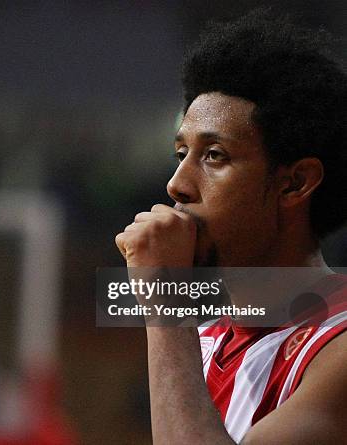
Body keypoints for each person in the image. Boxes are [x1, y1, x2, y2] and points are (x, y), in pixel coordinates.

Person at [115, 9, 347, 444]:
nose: (177, 185)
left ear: (294, 182)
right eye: (180, 154)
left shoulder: (337, 351)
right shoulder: (204, 338)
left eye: (214, 156)